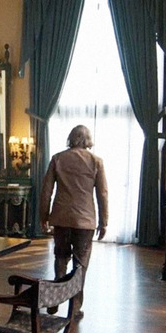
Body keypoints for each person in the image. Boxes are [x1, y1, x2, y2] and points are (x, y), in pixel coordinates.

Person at [40, 125, 108, 319]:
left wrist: (43, 217)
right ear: (88, 140)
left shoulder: (58, 159)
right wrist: (104, 221)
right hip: (85, 221)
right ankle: (74, 308)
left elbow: (46, 191)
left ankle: (54, 300)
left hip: (61, 218)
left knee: (61, 259)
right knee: (80, 265)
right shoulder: (96, 162)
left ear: (71, 138)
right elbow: (102, 194)